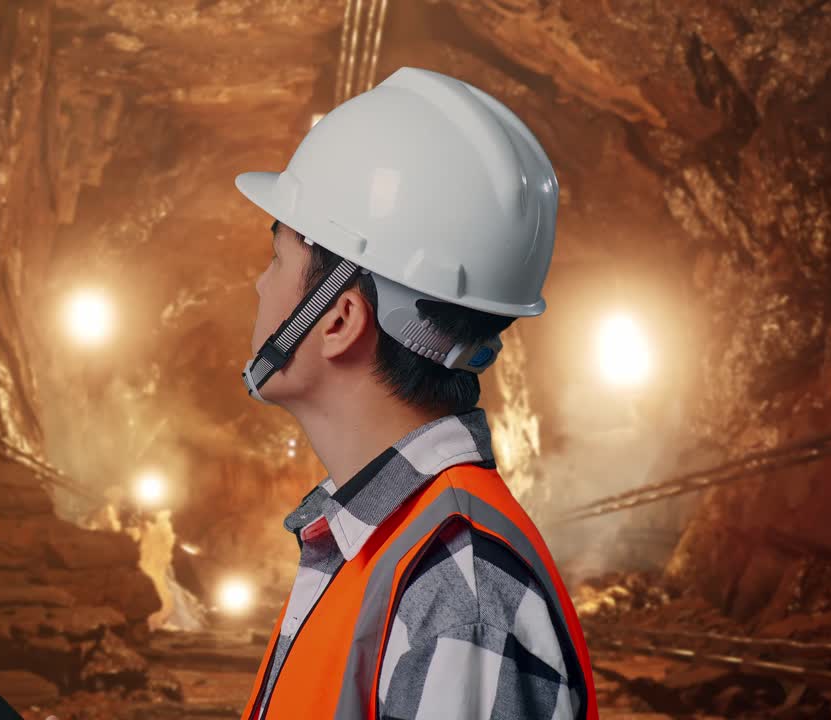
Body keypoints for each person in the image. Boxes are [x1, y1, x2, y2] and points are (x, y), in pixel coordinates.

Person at [237, 67, 598, 719]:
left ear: (339, 318)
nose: (261, 285)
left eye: (277, 258)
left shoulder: (456, 593)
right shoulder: (385, 546)